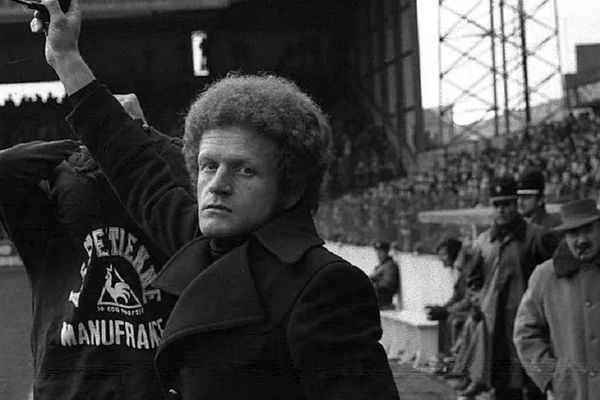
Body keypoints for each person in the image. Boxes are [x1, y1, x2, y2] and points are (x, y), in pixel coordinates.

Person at [32, 1, 400, 399]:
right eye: (208, 166)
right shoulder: (204, 244)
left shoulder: (325, 285)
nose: (217, 185)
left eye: (244, 170)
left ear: (291, 187)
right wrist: (66, 58)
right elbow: (135, 170)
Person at [0, 108, 189, 399]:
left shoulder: (164, 221)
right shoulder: (49, 238)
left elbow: (195, 165)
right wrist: (89, 139)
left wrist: (135, 135)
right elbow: (6, 165)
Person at [456, 177, 551, 399]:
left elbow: (550, 275)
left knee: (535, 382)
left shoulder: (535, 236)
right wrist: (479, 300)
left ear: (516, 204)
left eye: (507, 204)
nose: (502, 210)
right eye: (497, 205)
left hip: (528, 322)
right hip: (495, 325)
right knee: (503, 385)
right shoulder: (484, 241)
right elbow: (473, 279)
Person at [514, 198, 600, 400]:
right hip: (570, 394)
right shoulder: (545, 276)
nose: (581, 240)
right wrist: (551, 377)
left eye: (588, 230)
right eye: (573, 233)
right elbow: (525, 333)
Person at [426, 238, 473, 356]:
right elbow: (456, 296)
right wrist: (441, 308)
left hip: (472, 312)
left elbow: (469, 300)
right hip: (463, 310)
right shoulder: (461, 272)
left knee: (452, 320)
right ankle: (444, 356)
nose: (442, 258)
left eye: (444, 255)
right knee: (441, 318)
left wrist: (447, 311)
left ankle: (455, 359)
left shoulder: (469, 271)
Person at [369, 241, 400, 309]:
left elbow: (387, 284)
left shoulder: (390, 266)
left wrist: (374, 285)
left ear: (386, 252)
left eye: (381, 252)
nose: (378, 255)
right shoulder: (381, 266)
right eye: (377, 252)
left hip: (383, 298)